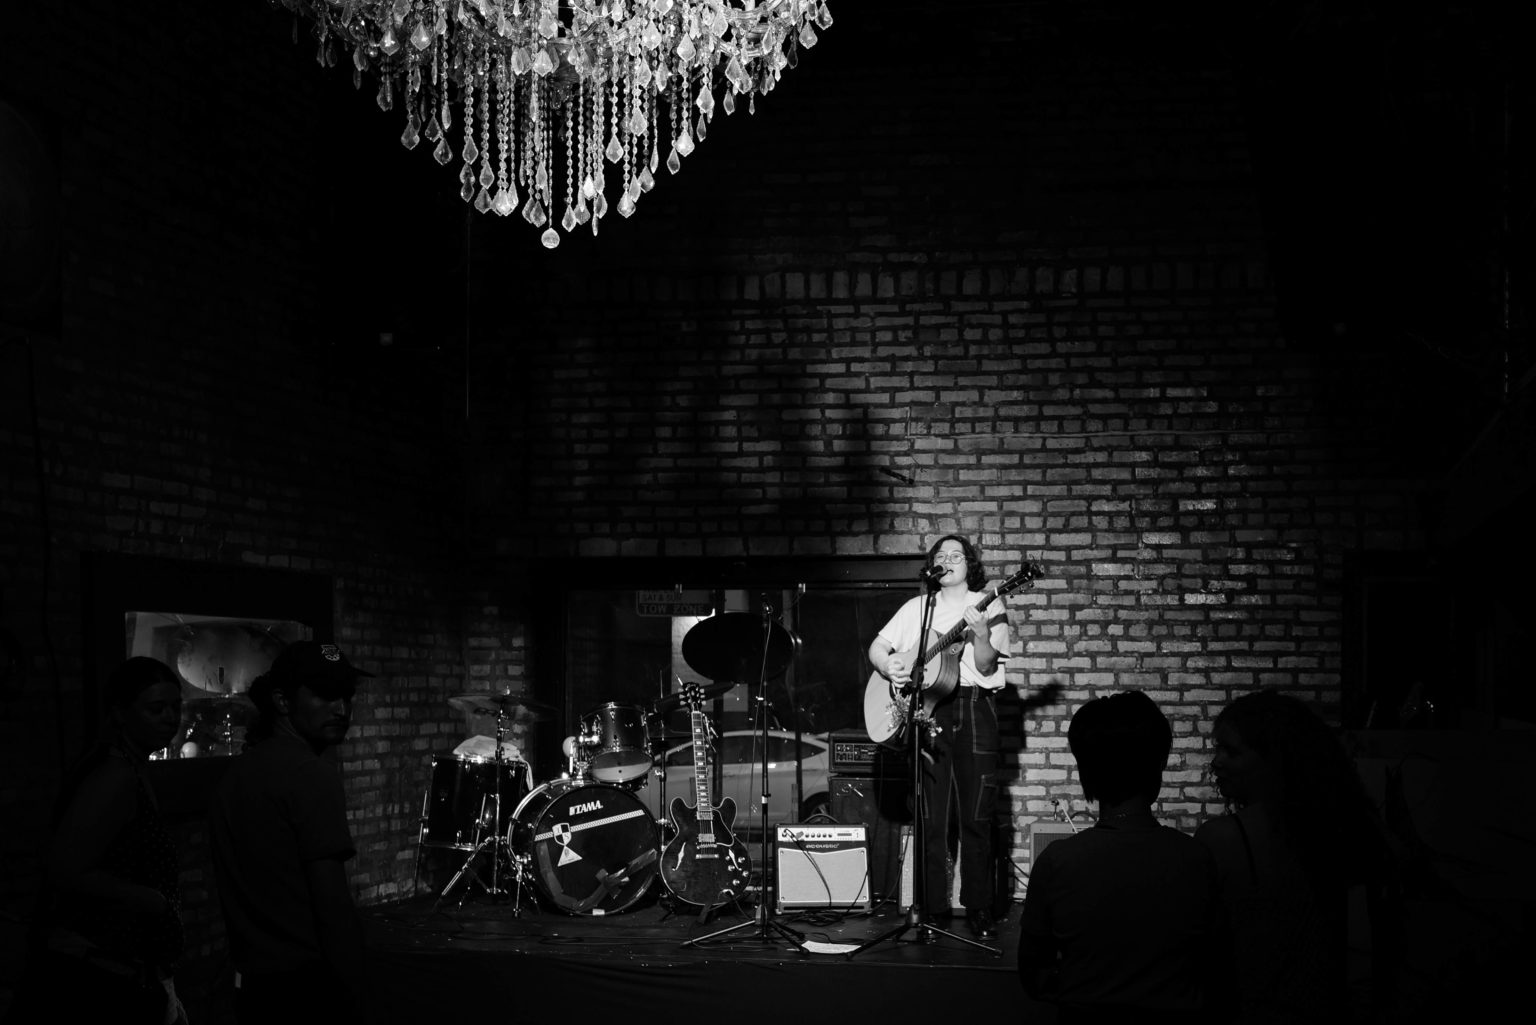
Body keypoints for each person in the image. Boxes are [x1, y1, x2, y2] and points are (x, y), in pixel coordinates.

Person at [1017, 691, 1231, 1023]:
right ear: (1157, 767)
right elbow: (1217, 969)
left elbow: (1034, 975)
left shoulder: (1057, 862)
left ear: (1086, 772)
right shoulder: (1196, 858)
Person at [1195, 690, 1396, 1024]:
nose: (1216, 762)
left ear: (1273, 760)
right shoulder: (1343, 829)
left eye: (1231, 751)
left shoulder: (1224, 838)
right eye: (1218, 749)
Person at [6, 657, 188, 1024]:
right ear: (120, 713)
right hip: (101, 973)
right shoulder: (115, 776)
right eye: (156, 709)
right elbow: (65, 868)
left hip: (123, 966)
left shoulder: (130, 767)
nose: (170, 718)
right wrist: (152, 900)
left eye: (175, 707)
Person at [209, 641, 374, 1024]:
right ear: (283, 701)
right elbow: (331, 908)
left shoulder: (238, 772)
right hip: (307, 990)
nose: (342, 709)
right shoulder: (310, 776)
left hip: (254, 987)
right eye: (325, 695)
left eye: (346, 696)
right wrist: (357, 994)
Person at [867, 534, 1009, 938]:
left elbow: (986, 667)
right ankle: (931, 908)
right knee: (931, 818)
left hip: (973, 707)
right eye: (941, 555)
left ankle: (979, 906)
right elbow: (878, 646)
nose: (948, 560)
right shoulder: (918, 607)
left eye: (956, 555)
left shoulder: (989, 604)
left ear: (969, 565)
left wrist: (981, 635)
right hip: (928, 710)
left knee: (976, 816)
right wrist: (889, 665)